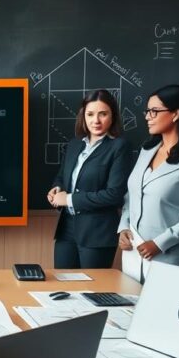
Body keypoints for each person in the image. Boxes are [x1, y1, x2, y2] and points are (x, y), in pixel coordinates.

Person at [118, 84, 179, 276]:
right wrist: (123, 227)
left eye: (154, 111)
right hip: (133, 255)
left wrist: (160, 243)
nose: (147, 117)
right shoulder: (147, 151)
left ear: (176, 114)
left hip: (169, 258)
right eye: (147, 111)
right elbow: (132, 195)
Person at [47, 89, 133, 268]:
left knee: (92, 291)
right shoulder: (75, 144)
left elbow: (114, 194)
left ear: (113, 116)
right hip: (67, 229)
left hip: (97, 233)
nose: (96, 120)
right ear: (83, 116)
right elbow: (62, 177)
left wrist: (69, 199)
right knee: (62, 285)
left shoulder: (119, 146)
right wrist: (57, 188)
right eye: (90, 114)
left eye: (103, 114)